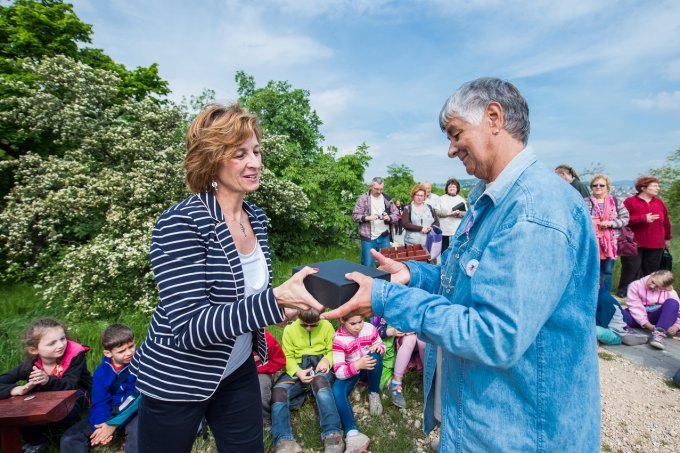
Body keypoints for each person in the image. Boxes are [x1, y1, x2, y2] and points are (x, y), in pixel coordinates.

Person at [323, 77, 601, 451]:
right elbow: (467, 283)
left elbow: (494, 334)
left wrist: (389, 300)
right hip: (481, 423)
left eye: (455, 134)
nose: (451, 150)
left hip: (521, 433)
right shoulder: (492, 198)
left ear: (493, 117)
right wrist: (413, 274)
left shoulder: (534, 211)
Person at [131, 103, 325, 453]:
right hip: (179, 378)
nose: (255, 162)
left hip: (236, 370)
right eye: (239, 154)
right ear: (211, 161)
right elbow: (189, 326)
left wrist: (287, 308)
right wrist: (274, 301)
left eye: (256, 151)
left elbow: (251, 302)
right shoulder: (180, 223)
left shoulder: (257, 217)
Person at [0, 318, 92, 452]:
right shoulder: (30, 365)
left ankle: (70, 431)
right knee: (24, 405)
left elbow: (71, 384)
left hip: (78, 393)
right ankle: (36, 441)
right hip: (46, 400)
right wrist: (14, 389)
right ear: (34, 350)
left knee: (72, 402)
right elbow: (3, 380)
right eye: (52, 343)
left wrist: (48, 380)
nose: (60, 345)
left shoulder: (74, 356)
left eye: (62, 338)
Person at [270, 309, 343, 453]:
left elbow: (333, 349)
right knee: (278, 391)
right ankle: (283, 440)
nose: (309, 328)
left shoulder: (327, 326)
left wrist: (326, 360)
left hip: (320, 366)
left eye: (314, 325)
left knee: (320, 382)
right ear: (298, 318)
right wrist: (297, 372)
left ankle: (332, 433)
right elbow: (288, 356)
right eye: (304, 325)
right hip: (298, 367)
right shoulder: (289, 330)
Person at [60, 324, 139, 453]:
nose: (129, 352)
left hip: (134, 411)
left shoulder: (141, 364)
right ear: (108, 353)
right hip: (111, 409)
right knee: (70, 438)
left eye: (131, 346)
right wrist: (102, 425)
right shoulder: (101, 372)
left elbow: (136, 396)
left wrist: (114, 422)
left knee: (138, 433)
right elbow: (99, 401)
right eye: (121, 351)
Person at [332, 315, 385, 453]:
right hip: (353, 370)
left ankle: (373, 392)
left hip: (369, 366)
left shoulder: (370, 328)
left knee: (375, 357)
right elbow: (338, 371)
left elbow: (381, 344)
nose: (358, 326)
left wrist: (379, 348)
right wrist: (357, 365)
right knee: (337, 391)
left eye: (360, 321)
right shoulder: (338, 339)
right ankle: (352, 432)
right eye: (352, 323)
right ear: (342, 321)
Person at [617, 176, 673, 297]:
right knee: (631, 269)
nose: (657, 188)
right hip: (633, 243)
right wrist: (643, 218)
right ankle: (624, 293)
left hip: (656, 243)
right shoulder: (630, 201)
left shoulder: (659, 202)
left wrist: (667, 238)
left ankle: (646, 294)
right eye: (654, 186)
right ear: (643, 188)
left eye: (658, 186)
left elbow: (666, 222)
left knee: (651, 271)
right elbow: (623, 220)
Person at [583, 174, 629, 292]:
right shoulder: (585, 202)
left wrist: (611, 223)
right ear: (591, 187)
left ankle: (605, 295)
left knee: (607, 271)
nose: (598, 187)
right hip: (591, 242)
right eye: (595, 185)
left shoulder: (616, 202)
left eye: (601, 185)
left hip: (610, 242)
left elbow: (625, 218)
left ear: (607, 187)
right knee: (592, 270)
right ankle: (591, 294)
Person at [623, 270, 680, 350]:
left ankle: (659, 334)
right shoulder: (635, 285)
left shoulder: (670, 292)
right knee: (619, 313)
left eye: (658, 287)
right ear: (652, 274)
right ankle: (626, 334)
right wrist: (648, 325)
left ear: (664, 288)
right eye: (653, 282)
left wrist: (676, 326)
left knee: (673, 303)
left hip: (658, 319)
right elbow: (635, 308)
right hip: (637, 317)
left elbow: (677, 310)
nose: (652, 286)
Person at [352, 177, 399, 267]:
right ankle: (366, 280)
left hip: (384, 237)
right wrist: (367, 218)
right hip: (368, 238)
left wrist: (388, 217)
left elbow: (396, 214)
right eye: (376, 189)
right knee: (368, 265)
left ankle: (382, 281)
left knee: (385, 266)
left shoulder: (387, 199)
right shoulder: (363, 199)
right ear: (371, 186)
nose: (379, 191)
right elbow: (354, 216)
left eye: (381, 189)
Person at [256, 330, 285, 431]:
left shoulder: (265, 338)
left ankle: (265, 420)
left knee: (261, 389)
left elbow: (280, 361)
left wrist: (257, 369)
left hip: (261, 372)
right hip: (236, 374)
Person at [436, 178, 467, 251]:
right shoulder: (441, 198)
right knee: (444, 251)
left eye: (454, 186)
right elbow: (436, 212)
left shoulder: (461, 199)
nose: (451, 188)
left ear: (457, 188)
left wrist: (458, 213)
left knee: (455, 251)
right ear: (447, 188)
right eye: (450, 187)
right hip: (444, 230)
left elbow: (466, 214)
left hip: (456, 230)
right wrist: (449, 213)